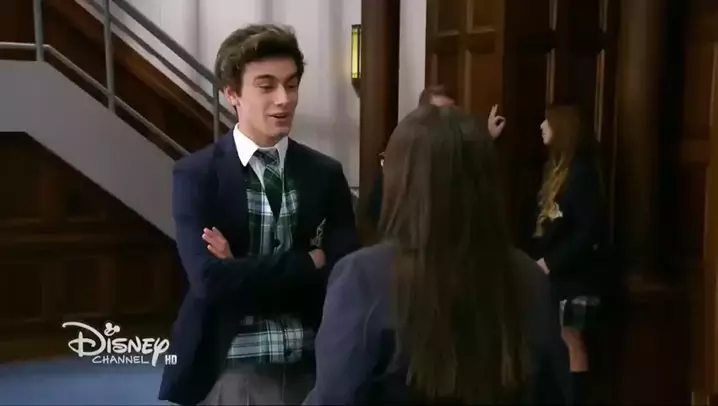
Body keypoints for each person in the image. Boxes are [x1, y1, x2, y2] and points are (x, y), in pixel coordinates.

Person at [304, 105, 571, 405]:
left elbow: (335, 396)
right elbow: (556, 392)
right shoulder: (528, 277)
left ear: (403, 179)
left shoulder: (362, 278)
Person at [158, 24, 359, 405]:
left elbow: (343, 277)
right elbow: (208, 281)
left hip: (314, 357)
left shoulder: (325, 174)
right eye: (266, 86)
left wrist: (239, 267)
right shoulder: (198, 175)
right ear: (231, 94)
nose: (284, 100)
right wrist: (306, 262)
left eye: (291, 85)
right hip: (232, 360)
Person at [532, 104, 605, 405]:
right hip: (554, 278)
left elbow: (588, 233)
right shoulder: (554, 171)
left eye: (547, 121)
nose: (541, 126)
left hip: (575, 276)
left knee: (572, 339)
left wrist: (549, 263)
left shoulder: (581, 175)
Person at [366, 85, 506, 228]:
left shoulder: (462, 161)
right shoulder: (401, 164)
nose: (446, 119)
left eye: (451, 112)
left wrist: (487, 137)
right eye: (439, 113)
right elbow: (376, 219)